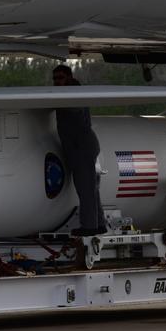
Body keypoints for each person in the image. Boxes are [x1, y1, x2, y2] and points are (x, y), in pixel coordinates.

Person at [51, 64, 107, 236]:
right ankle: (99, 224)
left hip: (82, 147)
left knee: (85, 189)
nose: (57, 82)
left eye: (60, 78)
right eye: (55, 79)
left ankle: (89, 226)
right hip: (82, 146)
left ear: (69, 77)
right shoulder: (71, 93)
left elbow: (73, 108)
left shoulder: (73, 93)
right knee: (91, 188)